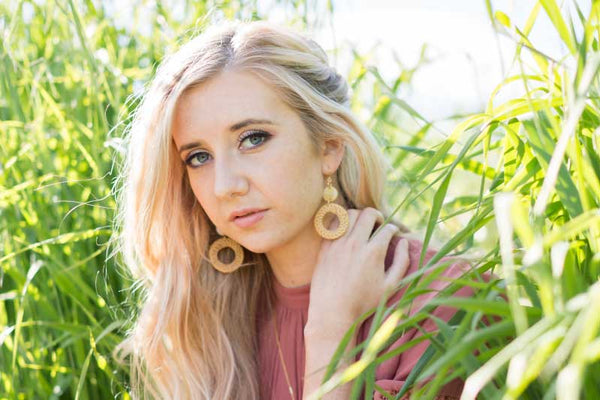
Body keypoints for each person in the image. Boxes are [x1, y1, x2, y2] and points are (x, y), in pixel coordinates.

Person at [112, 19, 475, 400]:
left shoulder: (443, 301)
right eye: (199, 156)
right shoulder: (208, 319)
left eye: (253, 139)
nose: (225, 186)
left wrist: (330, 331)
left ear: (330, 146)